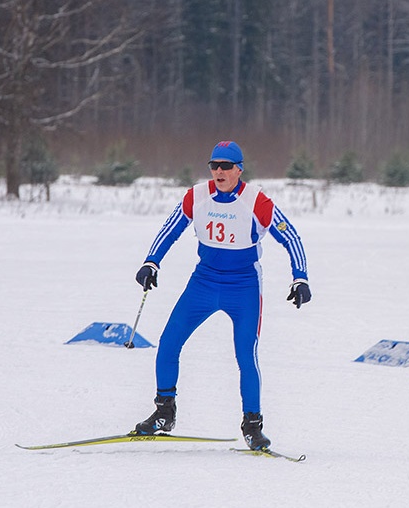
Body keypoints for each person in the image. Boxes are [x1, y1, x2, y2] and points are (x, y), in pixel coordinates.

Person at [132, 140, 311, 450]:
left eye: (226, 166)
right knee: (169, 343)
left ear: (239, 169)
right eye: (214, 165)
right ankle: (164, 412)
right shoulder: (197, 196)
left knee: (245, 355)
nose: (219, 171)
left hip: (243, 287)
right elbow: (170, 229)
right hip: (204, 282)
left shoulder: (256, 200)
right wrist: (151, 262)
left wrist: (300, 278)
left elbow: (290, 235)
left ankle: (252, 425)